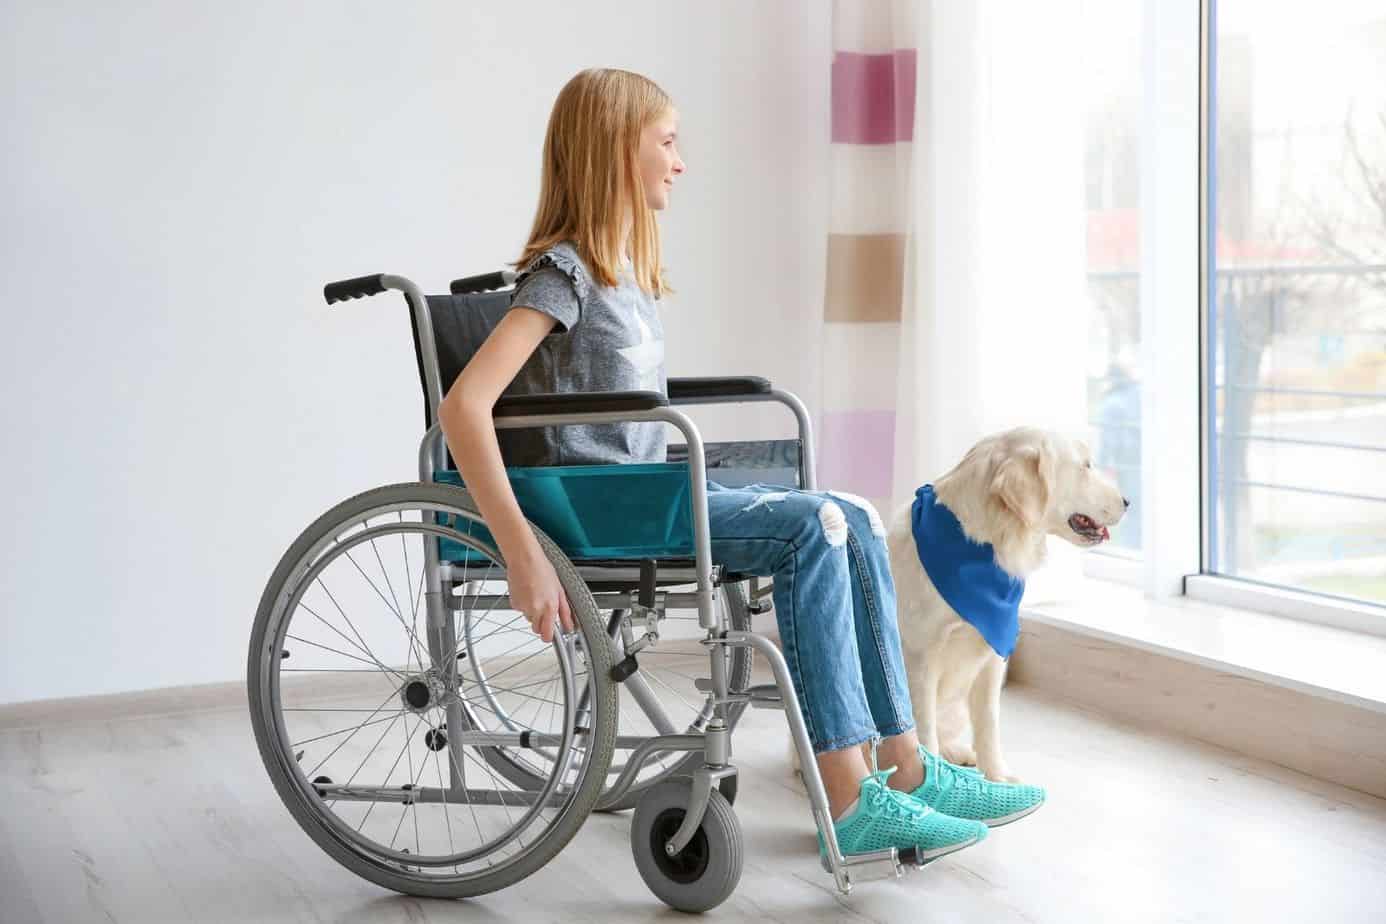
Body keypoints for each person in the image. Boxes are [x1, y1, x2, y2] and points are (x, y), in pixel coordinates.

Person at [438, 68, 1041, 866]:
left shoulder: (623, 274)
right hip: (612, 513)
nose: (679, 162)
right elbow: (464, 407)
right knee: (817, 525)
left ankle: (910, 769)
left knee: (854, 510)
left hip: (654, 496)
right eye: (667, 142)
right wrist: (521, 556)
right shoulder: (564, 275)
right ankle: (851, 797)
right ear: (619, 151)